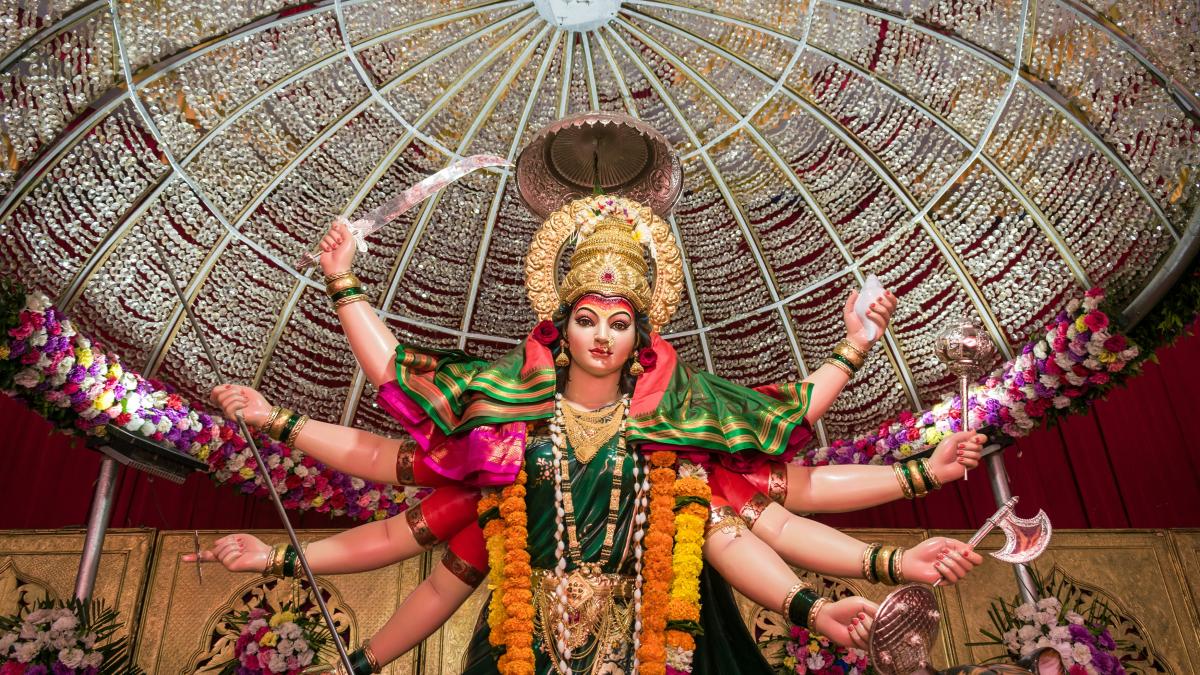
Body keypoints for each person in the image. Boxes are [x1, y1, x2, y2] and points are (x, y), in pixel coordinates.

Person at [189, 195, 985, 674]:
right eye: (586, 318)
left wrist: (857, 355)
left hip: (673, 652)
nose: (601, 336)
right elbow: (406, 509)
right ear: (561, 324)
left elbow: (761, 515)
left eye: (618, 322)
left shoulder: (670, 423)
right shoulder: (511, 433)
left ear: (639, 333)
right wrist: (335, 299)